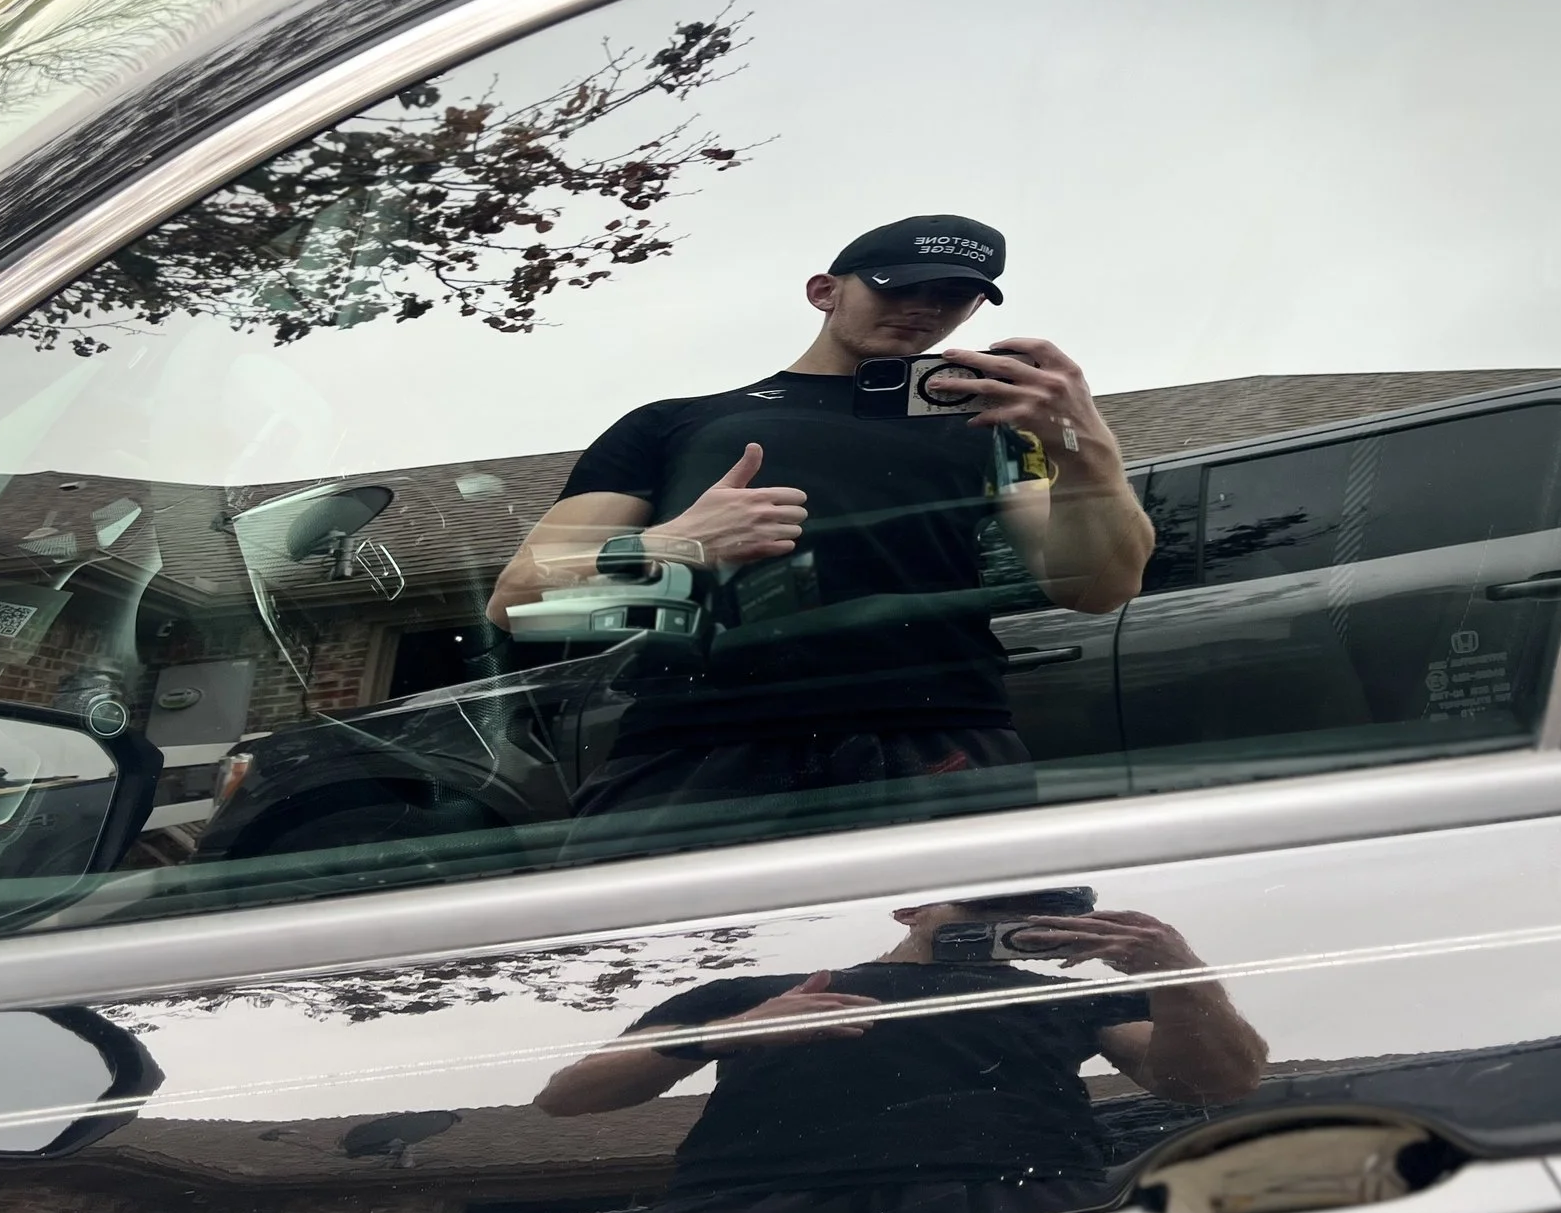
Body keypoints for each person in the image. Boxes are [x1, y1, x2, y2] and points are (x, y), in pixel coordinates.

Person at [485, 214, 1153, 827]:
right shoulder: (675, 423)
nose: (925, 308)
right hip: (697, 746)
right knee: (638, 956)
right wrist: (677, 543)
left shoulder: (992, 429)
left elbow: (1098, 587)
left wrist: (1082, 439)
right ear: (824, 290)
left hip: (937, 742)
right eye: (898, 287)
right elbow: (518, 602)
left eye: (954, 295)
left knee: (949, 958)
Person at [535, 891, 1266, 1213]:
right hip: (751, 1206)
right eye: (988, 902)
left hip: (1016, 1195)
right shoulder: (751, 992)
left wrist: (1179, 972)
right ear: (911, 907)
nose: (1011, 919)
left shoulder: (1077, 998)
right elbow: (569, 1096)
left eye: (1042, 908)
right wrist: (730, 1031)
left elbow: (1218, 1082)